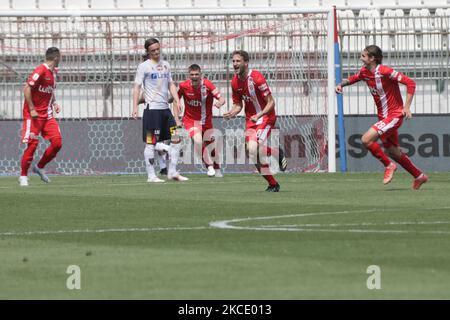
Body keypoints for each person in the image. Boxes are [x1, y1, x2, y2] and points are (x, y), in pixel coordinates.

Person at [335, 45, 428, 190]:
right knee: (392, 151)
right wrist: (341, 84)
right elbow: (355, 78)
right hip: (383, 117)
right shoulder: (365, 72)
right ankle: (419, 176)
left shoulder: (385, 71)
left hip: (394, 115)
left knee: (366, 139)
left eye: (364, 56)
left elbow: (410, 83)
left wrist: (407, 107)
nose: (361, 58)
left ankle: (388, 165)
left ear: (372, 58)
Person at [224, 50, 287, 192]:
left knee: (253, 149)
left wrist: (259, 115)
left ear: (246, 63)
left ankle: (275, 158)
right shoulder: (234, 82)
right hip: (251, 120)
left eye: (238, 61)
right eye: (233, 61)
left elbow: (271, 102)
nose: (234, 64)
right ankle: (273, 182)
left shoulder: (257, 78)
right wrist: (231, 113)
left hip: (265, 117)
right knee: (250, 152)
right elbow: (238, 104)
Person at [132, 38, 188, 183]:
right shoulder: (143, 67)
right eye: (153, 50)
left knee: (177, 138)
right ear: (148, 52)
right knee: (150, 142)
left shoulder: (166, 65)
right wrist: (134, 108)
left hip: (165, 109)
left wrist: (176, 99)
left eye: (158, 49)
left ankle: (172, 172)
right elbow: (137, 87)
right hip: (152, 110)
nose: (156, 52)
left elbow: (171, 84)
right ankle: (151, 176)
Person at [19, 47, 63, 187]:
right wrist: (32, 109)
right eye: (60, 57)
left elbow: (49, 91)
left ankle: (39, 166)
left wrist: (54, 102)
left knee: (57, 143)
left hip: (47, 115)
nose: (61, 60)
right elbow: (26, 89)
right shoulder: (41, 70)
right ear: (56, 58)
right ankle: (23, 176)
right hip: (34, 116)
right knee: (33, 145)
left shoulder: (53, 72)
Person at [178, 64, 226, 177]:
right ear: (188, 75)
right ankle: (209, 166)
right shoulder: (183, 86)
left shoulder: (207, 85)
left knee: (211, 146)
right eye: (192, 74)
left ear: (201, 75)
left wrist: (220, 102)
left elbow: (221, 98)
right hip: (190, 120)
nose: (194, 76)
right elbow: (175, 98)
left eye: (196, 74)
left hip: (206, 121)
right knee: (198, 141)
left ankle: (217, 167)